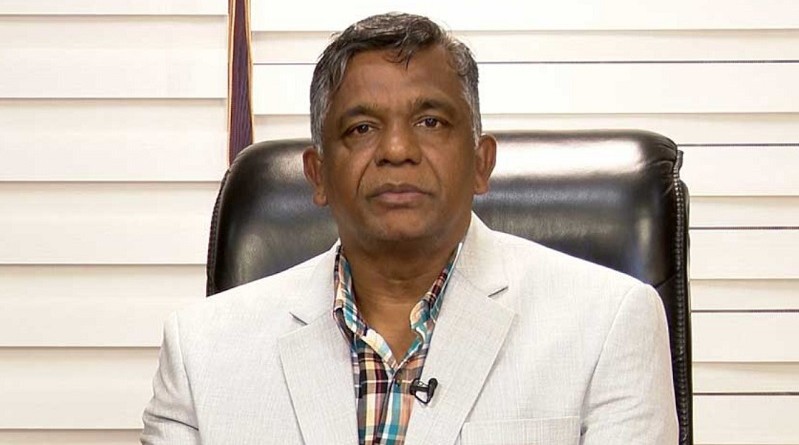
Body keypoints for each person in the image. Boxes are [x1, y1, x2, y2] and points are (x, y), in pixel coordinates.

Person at [141, 12, 677, 445]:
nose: (397, 150)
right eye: (362, 128)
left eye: (430, 122)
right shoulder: (201, 353)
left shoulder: (608, 326)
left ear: (482, 163)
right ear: (318, 174)